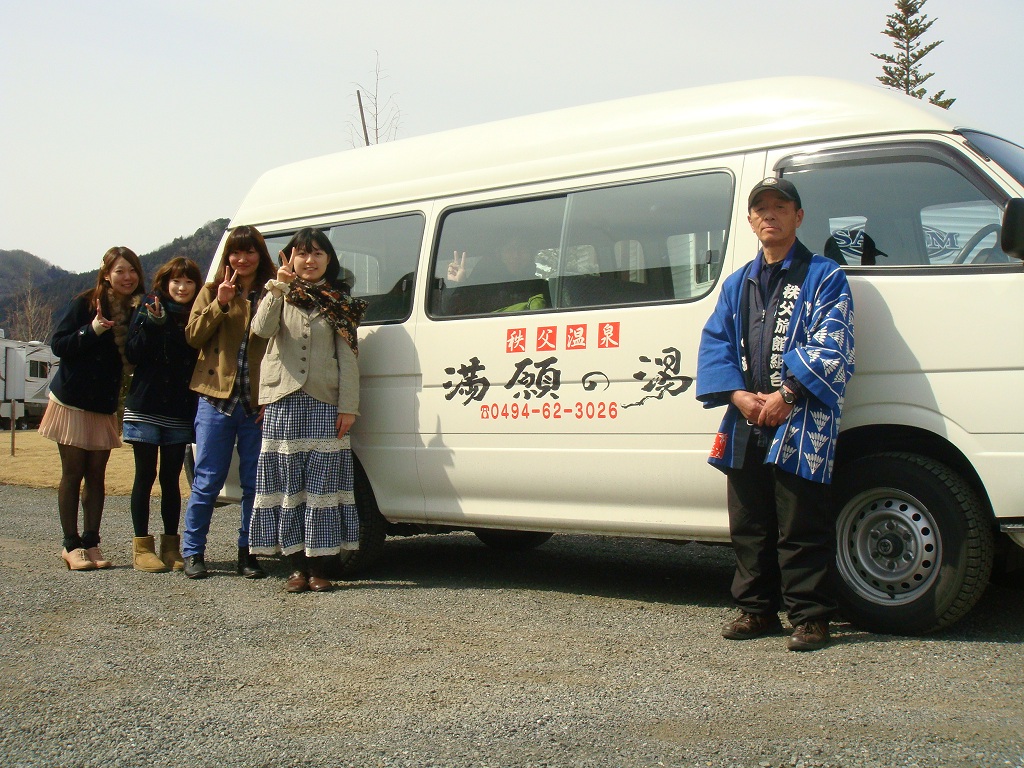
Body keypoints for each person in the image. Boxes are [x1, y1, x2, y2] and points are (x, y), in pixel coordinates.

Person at [696, 178, 855, 652]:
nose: (770, 215)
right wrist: (739, 397)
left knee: (801, 522)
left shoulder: (825, 275)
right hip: (746, 417)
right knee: (749, 524)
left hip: (800, 418)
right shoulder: (736, 283)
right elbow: (716, 341)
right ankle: (756, 610)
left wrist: (787, 393)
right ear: (749, 221)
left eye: (780, 207)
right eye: (760, 208)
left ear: (798, 216)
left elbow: (836, 341)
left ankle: (810, 618)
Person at [249, 228, 365, 593]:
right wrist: (278, 287)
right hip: (283, 399)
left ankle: (320, 567)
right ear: (290, 259)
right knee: (288, 484)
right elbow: (260, 329)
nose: (309, 260)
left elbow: (348, 358)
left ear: (329, 260)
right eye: (301, 254)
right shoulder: (278, 294)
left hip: (324, 401)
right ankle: (296, 568)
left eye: (317, 254)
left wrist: (348, 406)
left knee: (323, 486)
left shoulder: (339, 301)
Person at [40, 246, 145, 570]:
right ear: (107, 274)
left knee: (97, 476)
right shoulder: (87, 303)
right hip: (72, 401)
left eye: (132, 271)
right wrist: (93, 329)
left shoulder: (136, 310)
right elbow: (59, 344)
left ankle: (92, 542)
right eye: (120, 271)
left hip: (102, 405)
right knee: (73, 473)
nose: (127, 277)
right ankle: (71, 546)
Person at [180, 226, 275, 580]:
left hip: (256, 401)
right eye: (236, 252)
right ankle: (193, 552)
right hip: (215, 398)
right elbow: (193, 337)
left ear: (259, 255)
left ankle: (247, 552)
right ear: (227, 256)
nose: (243, 258)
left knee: (255, 482)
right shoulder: (211, 291)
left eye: (250, 252)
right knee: (207, 479)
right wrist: (220, 302)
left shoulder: (271, 293)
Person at [123, 257, 202, 573]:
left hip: (179, 409)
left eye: (188, 282)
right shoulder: (149, 307)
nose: (182, 288)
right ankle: (142, 547)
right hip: (145, 406)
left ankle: (171, 546)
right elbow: (133, 353)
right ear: (165, 284)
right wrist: (153, 326)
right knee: (145, 475)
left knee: (171, 478)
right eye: (176, 282)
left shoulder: (196, 314)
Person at [440, 236, 550, 315]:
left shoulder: (542, 288)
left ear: (531, 254)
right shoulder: (484, 286)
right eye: (510, 249)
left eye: (522, 249)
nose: (516, 255)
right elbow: (451, 312)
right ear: (500, 254)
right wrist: (459, 284)